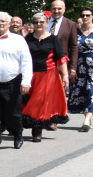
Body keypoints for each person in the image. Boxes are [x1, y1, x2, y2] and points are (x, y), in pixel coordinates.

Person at [0, 12, 33, 151]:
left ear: (9, 24)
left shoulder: (18, 40)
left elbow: (26, 61)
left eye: (3, 21)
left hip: (13, 81)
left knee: (13, 113)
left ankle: (17, 134)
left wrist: (26, 81)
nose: (0, 24)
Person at [22, 12, 70, 141]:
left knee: (39, 102)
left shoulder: (53, 39)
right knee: (26, 101)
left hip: (48, 75)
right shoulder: (28, 38)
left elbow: (61, 58)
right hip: (29, 74)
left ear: (47, 24)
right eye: (36, 22)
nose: (38, 24)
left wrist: (65, 75)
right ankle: (19, 126)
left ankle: (37, 130)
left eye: (41, 22)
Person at [67, 7, 93, 131]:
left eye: (88, 15)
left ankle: (87, 119)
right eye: (83, 15)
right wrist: (71, 68)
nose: (85, 17)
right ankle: (87, 116)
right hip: (80, 67)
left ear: (92, 16)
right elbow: (71, 50)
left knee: (91, 92)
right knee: (83, 92)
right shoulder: (76, 32)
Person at [48, 0, 79, 85]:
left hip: (62, 66)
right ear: (50, 9)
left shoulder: (71, 24)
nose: (56, 11)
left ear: (64, 9)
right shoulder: (44, 23)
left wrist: (73, 67)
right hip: (44, 65)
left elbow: (74, 47)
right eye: (54, 8)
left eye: (59, 9)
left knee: (60, 95)